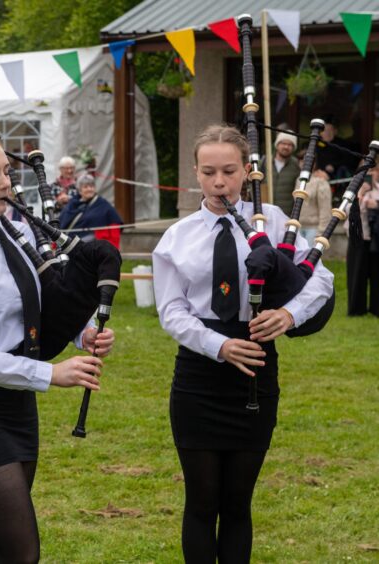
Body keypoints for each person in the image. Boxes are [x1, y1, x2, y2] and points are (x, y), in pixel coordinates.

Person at [0, 127, 115, 563]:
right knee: (20, 553)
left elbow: (38, 299)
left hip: (14, 401)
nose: (5, 184)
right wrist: (52, 373)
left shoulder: (11, 230)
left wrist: (80, 332)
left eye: (6, 173)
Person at [152, 124, 333, 563]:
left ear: (248, 170)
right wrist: (219, 346)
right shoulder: (177, 237)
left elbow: (320, 278)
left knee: (237, 503)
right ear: (195, 172)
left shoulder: (272, 221)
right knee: (201, 502)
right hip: (199, 374)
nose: (220, 182)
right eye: (209, 171)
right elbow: (172, 312)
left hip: (255, 368)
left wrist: (289, 314)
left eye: (229, 171)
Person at [58, 173, 123, 249]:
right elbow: (61, 224)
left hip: (92, 247)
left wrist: (113, 249)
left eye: (91, 186)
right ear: (80, 190)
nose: (89, 189)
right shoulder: (72, 204)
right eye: (86, 187)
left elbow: (114, 226)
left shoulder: (103, 205)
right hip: (67, 244)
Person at [347, 165, 379, 316]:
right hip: (358, 238)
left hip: (376, 239)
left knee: (376, 274)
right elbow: (347, 211)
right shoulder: (353, 191)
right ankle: (357, 308)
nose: (371, 175)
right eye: (367, 172)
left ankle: (376, 308)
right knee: (356, 274)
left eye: (373, 171)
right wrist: (360, 194)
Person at [294, 148, 332, 243]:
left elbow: (325, 209)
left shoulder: (321, 181)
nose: (304, 163)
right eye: (301, 160)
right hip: (299, 226)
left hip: (314, 229)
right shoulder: (299, 180)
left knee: (310, 257)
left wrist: (322, 232)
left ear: (314, 163)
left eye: (307, 161)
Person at [261, 131, 299, 212]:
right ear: (277, 144)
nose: (286, 146)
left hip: (285, 214)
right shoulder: (265, 161)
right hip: (265, 210)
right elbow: (254, 183)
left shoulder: (296, 165)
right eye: (283, 143)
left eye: (290, 144)